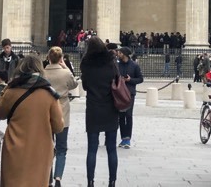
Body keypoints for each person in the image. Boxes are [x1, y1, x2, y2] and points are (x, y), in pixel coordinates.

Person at [0, 53, 64, 187]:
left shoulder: (12, 90)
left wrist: (4, 90)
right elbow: (58, 126)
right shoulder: (49, 93)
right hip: (40, 150)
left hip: (14, 148)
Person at [80, 36, 119, 187]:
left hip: (93, 108)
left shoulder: (86, 65)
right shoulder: (111, 63)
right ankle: (112, 182)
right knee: (111, 148)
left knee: (92, 149)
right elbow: (117, 81)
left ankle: (90, 182)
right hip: (110, 107)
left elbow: (84, 86)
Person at [44, 46, 78, 187]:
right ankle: (58, 178)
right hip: (62, 110)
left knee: (48, 147)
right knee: (62, 147)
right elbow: (74, 84)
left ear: (48, 58)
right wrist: (65, 67)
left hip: (46, 112)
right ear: (60, 58)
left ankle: (48, 178)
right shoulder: (65, 73)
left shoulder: (43, 73)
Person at [116, 45, 143, 149]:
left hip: (130, 93)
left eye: (120, 53)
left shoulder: (134, 66)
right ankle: (123, 138)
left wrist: (130, 80)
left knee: (128, 115)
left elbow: (140, 79)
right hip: (120, 93)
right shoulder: (117, 65)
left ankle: (128, 139)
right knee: (121, 116)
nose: (118, 54)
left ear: (125, 54)